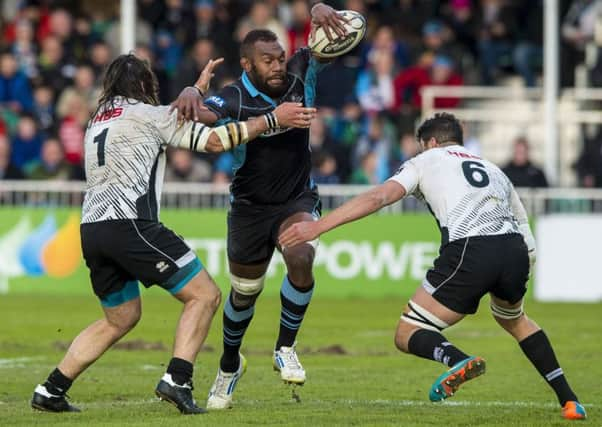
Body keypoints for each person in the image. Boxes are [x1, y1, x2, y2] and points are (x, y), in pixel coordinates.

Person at [30, 53, 316, 415]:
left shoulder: (97, 120)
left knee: (120, 317)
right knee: (205, 295)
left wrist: (196, 90)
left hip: (92, 229)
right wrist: (272, 119)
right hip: (131, 222)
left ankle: (51, 388)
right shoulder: (150, 115)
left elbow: (169, 117)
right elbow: (215, 142)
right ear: (143, 85)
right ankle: (177, 380)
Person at [280, 113, 587, 421]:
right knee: (516, 320)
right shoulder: (494, 170)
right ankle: (571, 401)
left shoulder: (425, 161)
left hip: (471, 247)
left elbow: (379, 197)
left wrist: (317, 227)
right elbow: (526, 235)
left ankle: (457, 359)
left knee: (408, 331)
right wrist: (515, 270)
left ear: (430, 142)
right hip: (514, 249)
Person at [172, 2, 348, 410]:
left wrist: (320, 8)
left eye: (281, 58)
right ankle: (230, 365)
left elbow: (345, 32)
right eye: (267, 60)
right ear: (247, 65)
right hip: (249, 208)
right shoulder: (232, 98)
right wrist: (191, 90)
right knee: (244, 295)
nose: (278, 66)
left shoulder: (302, 71)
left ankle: (285, 347)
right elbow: (195, 115)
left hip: (296, 198)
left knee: (302, 254)